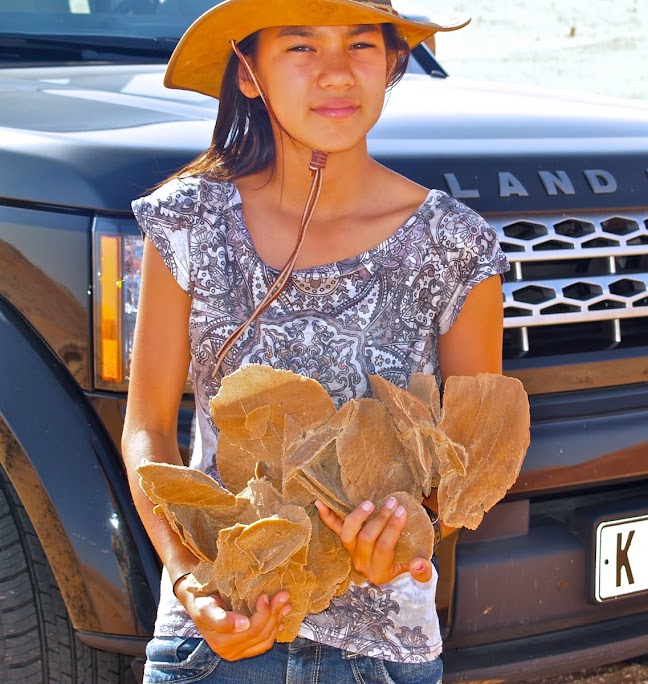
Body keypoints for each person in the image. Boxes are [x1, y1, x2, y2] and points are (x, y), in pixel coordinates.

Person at [121, 0, 509, 681]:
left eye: (360, 46)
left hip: (382, 655)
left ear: (393, 64)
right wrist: (190, 581)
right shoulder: (187, 221)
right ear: (248, 71)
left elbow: (472, 457)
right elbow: (147, 431)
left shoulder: (456, 247)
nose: (335, 74)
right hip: (216, 640)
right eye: (301, 48)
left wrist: (408, 535)